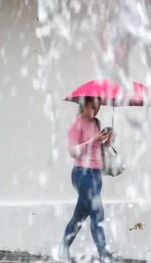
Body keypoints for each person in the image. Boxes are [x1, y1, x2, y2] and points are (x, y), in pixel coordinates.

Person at [59, 96, 115, 262]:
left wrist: (107, 139)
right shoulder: (77, 124)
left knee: (80, 216)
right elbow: (72, 151)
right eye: (92, 107)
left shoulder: (96, 123)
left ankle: (63, 248)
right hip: (82, 174)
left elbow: (99, 147)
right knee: (98, 212)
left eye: (98, 107)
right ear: (84, 106)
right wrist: (93, 140)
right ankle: (104, 254)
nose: (96, 110)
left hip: (96, 174)